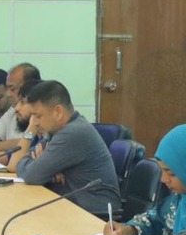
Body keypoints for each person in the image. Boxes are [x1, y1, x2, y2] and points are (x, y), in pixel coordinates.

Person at [12, 81, 119, 215]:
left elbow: (31, 175)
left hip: (95, 215)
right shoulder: (57, 131)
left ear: (58, 112)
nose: (35, 122)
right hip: (73, 207)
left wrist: (40, 167)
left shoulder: (73, 132)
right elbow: (22, 164)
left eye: (38, 116)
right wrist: (43, 169)